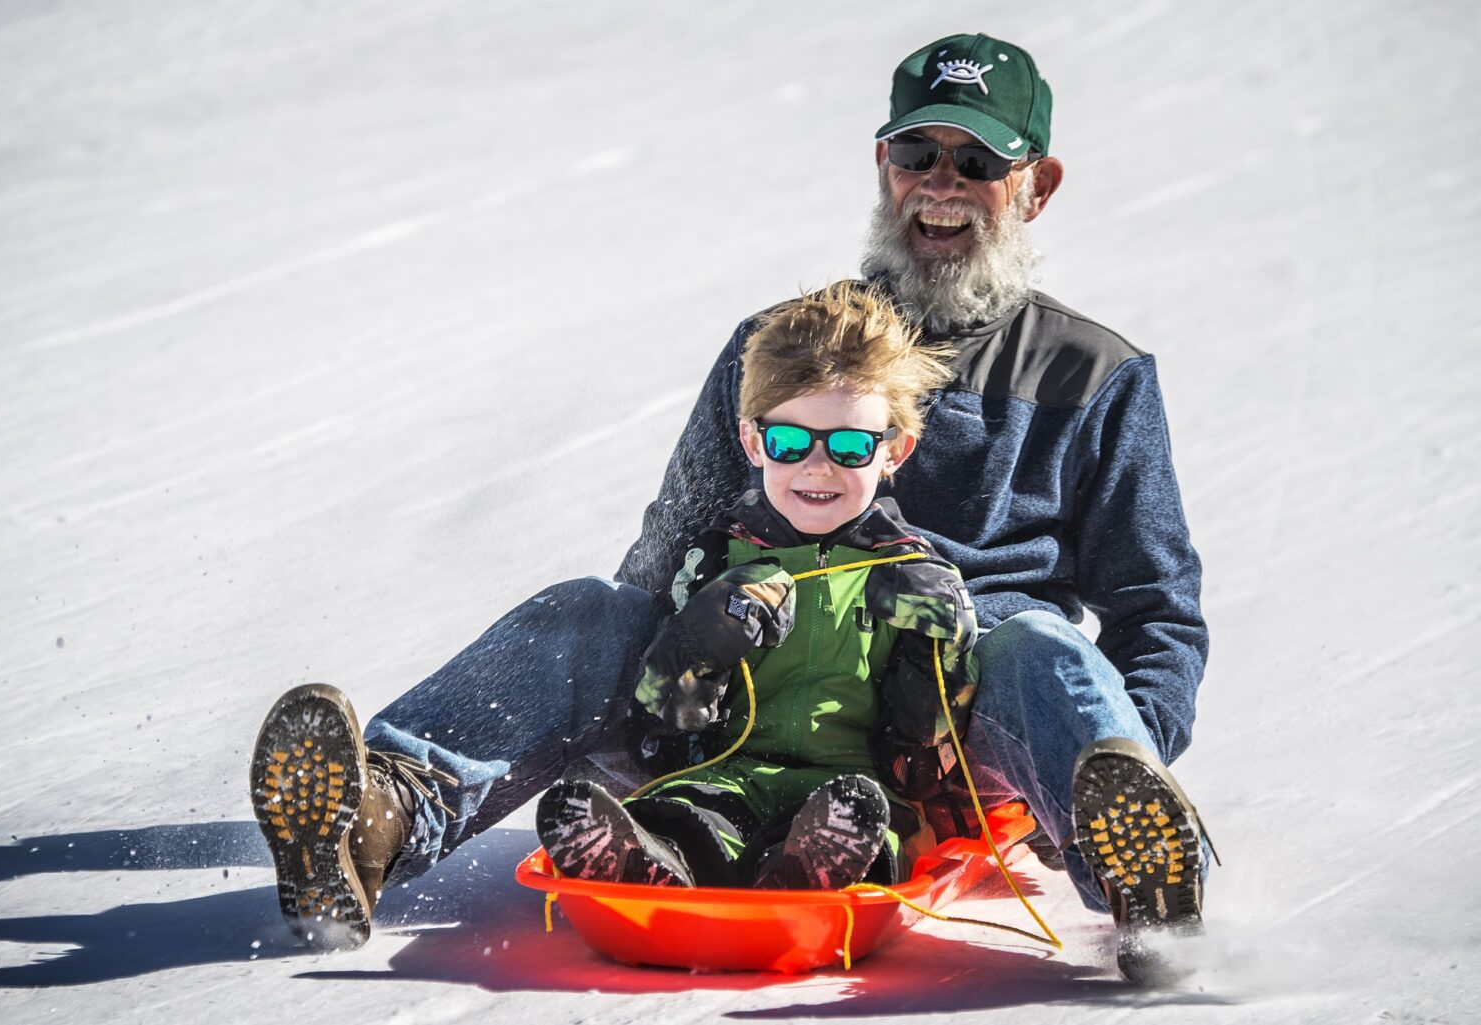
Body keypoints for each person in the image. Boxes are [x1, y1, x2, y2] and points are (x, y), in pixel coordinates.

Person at [248, 32, 1212, 983]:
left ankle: (1143, 872)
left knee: (1041, 644)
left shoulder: (1096, 377)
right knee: (593, 610)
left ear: (1035, 186)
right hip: (749, 686)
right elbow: (674, 540)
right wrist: (670, 672)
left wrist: (1083, 768)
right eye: (918, 153)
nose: (941, 182)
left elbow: (1154, 613)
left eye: (978, 161)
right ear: (885, 164)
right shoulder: (778, 348)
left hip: (954, 725)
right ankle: (370, 819)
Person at [535, 282, 975, 892]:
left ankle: (809, 868)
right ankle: (652, 860)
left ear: (893, 452)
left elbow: (925, 768)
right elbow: (663, 725)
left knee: (865, 819)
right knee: (692, 810)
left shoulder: (910, 571)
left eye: (850, 446)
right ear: (752, 442)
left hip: (854, 784)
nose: (817, 467)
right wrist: (702, 638)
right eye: (790, 442)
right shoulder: (720, 556)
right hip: (729, 770)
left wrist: (939, 646)